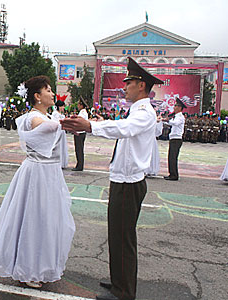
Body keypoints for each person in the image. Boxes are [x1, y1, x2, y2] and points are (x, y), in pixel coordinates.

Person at [61, 57, 162, 300]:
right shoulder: (136, 111)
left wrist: (91, 127)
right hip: (122, 181)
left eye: (129, 83)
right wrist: (94, 124)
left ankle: (124, 292)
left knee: (123, 237)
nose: (124, 87)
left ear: (141, 85)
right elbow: (121, 126)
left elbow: (123, 129)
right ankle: (119, 281)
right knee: (116, 235)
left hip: (130, 183)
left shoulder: (145, 112)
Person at [0, 75, 75, 288]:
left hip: (49, 173)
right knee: (35, 220)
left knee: (49, 220)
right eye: (48, 90)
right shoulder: (32, 117)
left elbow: (53, 126)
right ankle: (30, 269)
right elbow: (48, 127)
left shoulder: (48, 116)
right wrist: (66, 123)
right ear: (37, 96)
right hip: (37, 174)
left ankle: (42, 264)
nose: (52, 93)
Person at [163, 98, 186, 181]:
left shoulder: (180, 117)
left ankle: (174, 175)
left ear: (180, 108)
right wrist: (163, 121)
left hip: (176, 139)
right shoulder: (176, 116)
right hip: (173, 138)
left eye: (176, 106)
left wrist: (167, 120)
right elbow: (171, 123)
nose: (174, 107)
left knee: (173, 157)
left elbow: (175, 123)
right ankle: (171, 173)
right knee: (170, 157)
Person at [51, 100, 69, 168]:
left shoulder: (62, 115)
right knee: (58, 147)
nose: (63, 108)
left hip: (62, 132)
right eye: (62, 106)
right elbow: (55, 123)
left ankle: (62, 162)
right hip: (58, 133)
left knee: (62, 147)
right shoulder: (55, 114)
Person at [145, 113, 163, 177]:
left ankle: (151, 170)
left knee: (152, 154)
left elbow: (158, 132)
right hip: (144, 139)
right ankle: (144, 170)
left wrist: (158, 122)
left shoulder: (155, 120)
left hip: (151, 139)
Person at [72, 98, 88, 171]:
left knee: (79, 149)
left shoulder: (82, 113)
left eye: (79, 104)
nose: (78, 106)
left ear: (81, 105)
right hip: (81, 132)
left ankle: (79, 165)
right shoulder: (83, 112)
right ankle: (79, 164)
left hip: (80, 133)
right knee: (79, 149)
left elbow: (79, 123)